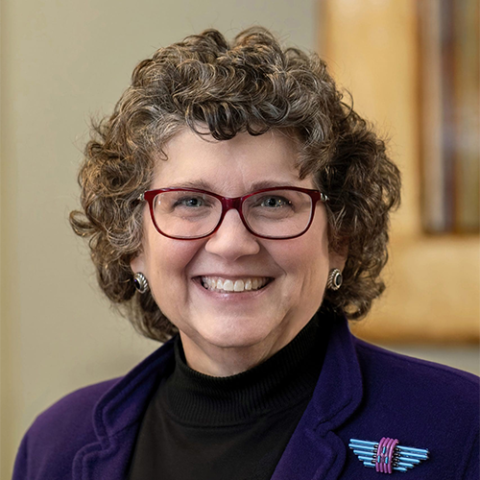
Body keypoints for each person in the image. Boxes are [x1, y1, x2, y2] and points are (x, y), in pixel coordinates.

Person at [13, 27, 480, 480]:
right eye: (190, 201)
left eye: (274, 201)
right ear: (134, 243)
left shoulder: (461, 427)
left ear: (339, 238)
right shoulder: (57, 445)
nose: (233, 243)